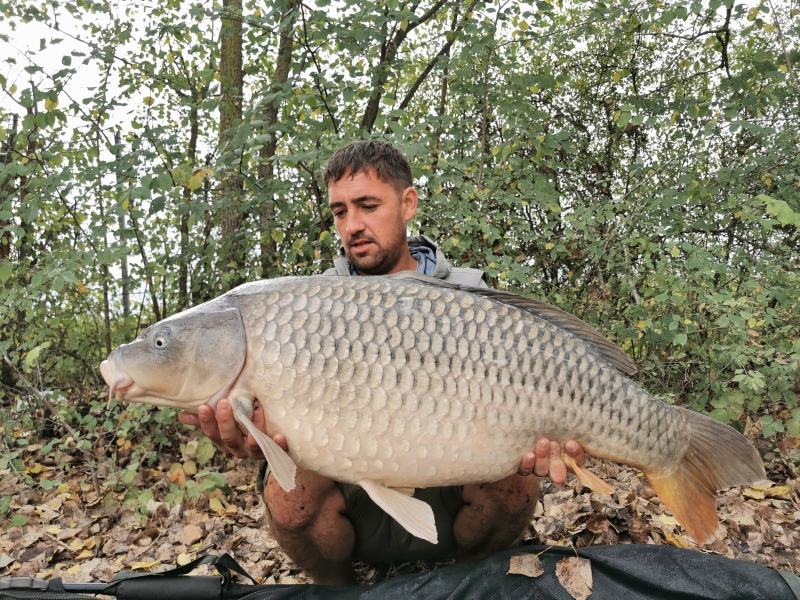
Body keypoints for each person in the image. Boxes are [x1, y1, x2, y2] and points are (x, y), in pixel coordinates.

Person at [179, 140, 588, 585]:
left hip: (451, 507)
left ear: (407, 203)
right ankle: (340, 591)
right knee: (288, 489)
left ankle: (469, 583)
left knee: (518, 477)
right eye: (339, 212)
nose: (352, 225)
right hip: (356, 518)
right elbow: (274, 434)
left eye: (367, 205)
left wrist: (543, 441)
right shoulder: (304, 310)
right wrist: (251, 440)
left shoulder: (473, 300)